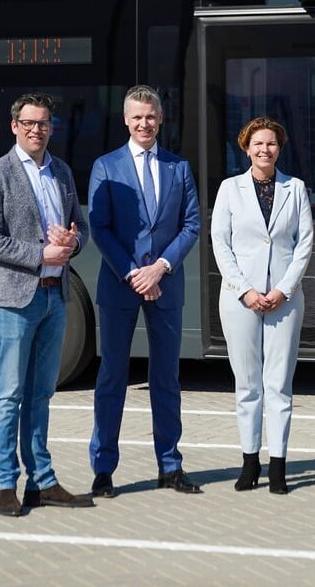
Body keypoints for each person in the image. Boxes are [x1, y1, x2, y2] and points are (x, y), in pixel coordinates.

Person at [0, 92, 95, 517]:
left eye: (43, 123)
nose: (36, 130)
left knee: (42, 394)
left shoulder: (60, 171)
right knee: (9, 395)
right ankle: (5, 484)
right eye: (28, 123)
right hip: (13, 300)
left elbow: (81, 226)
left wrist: (71, 241)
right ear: (14, 126)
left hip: (54, 297)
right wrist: (41, 252)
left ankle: (42, 482)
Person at [88, 84, 202, 497]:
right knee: (112, 377)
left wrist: (160, 268)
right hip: (120, 286)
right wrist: (135, 273)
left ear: (161, 118)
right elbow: (99, 226)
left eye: (150, 116)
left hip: (165, 284)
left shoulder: (179, 167)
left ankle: (170, 466)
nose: (144, 123)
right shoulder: (106, 166)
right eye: (137, 117)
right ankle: (103, 470)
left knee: (166, 379)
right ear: (125, 120)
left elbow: (192, 224)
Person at [210, 117, 313, 495]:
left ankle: (279, 466)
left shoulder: (296, 188)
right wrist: (245, 290)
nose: (264, 150)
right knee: (247, 385)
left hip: (284, 301)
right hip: (241, 300)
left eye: (271, 144)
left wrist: (284, 290)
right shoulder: (229, 189)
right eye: (258, 144)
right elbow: (220, 244)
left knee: (279, 386)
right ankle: (249, 462)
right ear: (246, 147)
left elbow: (304, 246)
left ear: (279, 149)